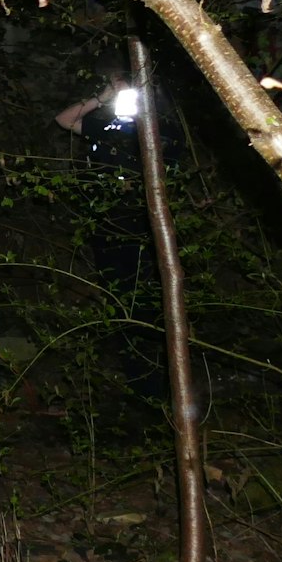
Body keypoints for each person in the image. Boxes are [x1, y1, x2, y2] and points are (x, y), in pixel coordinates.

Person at [56, 53, 162, 392]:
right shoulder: (105, 123)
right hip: (107, 224)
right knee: (118, 295)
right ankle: (133, 372)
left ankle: (157, 372)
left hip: (147, 226)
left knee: (148, 297)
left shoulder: (157, 127)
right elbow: (64, 119)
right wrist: (104, 96)